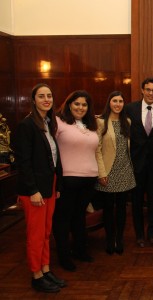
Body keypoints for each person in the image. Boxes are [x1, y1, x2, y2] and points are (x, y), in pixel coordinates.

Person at [14, 83, 66, 292]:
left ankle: (45, 269)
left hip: (49, 185)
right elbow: (23, 162)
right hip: (34, 190)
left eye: (49, 96)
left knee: (46, 232)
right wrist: (33, 190)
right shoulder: (26, 126)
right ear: (33, 100)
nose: (46, 99)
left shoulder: (48, 123)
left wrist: (57, 185)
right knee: (35, 234)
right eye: (41, 96)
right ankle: (36, 275)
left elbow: (53, 158)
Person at [53, 90, 99, 271]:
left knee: (79, 216)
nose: (81, 107)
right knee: (63, 219)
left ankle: (80, 250)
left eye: (84, 105)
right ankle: (64, 257)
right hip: (68, 179)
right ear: (69, 104)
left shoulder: (90, 125)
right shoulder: (58, 122)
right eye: (77, 104)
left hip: (89, 180)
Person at [125, 78, 153, 248]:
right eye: (148, 89)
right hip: (135, 163)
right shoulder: (130, 108)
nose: (151, 93)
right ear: (142, 90)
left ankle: (152, 234)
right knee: (136, 201)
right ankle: (139, 235)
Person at [95, 91, 136, 255]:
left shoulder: (127, 121)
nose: (118, 104)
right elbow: (97, 150)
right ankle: (109, 239)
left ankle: (119, 239)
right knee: (108, 208)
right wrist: (101, 173)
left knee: (121, 208)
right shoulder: (100, 122)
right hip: (108, 171)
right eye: (115, 101)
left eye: (121, 101)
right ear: (109, 103)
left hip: (124, 169)